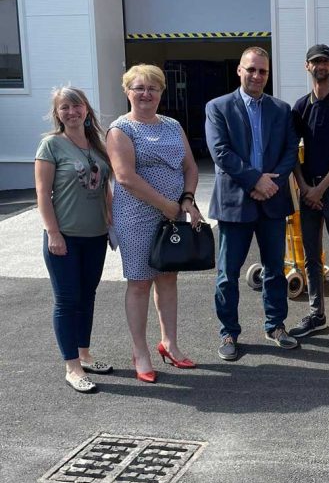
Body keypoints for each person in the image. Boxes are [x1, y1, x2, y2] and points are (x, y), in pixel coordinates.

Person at [107, 64, 203, 384]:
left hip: (173, 213)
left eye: (153, 88)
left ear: (162, 92)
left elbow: (190, 167)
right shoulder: (121, 129)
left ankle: (169, 343)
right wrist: (166, 205)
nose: (146, 94)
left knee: (168, 278)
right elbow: (125, 177)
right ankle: (140, 352)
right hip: (136, 216)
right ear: (127, 92)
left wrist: (187, 199)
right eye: (139, 88)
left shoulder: (173, 125)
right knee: (139, 283)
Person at [205, 47, 299, 360]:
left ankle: (276, 326)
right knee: (227, 274)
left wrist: (271, 184)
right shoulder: (218, 107)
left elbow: (290, 151)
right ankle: (228, 333)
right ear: (239, 70)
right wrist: (255, 180)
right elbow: (220, 151)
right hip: (235, 204)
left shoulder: (281, 109)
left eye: (263, 71)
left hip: (272, 201)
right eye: (251, 69)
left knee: (275, 270)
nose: (257, 76)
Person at [35, 86, 113, 393]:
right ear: (57, 113)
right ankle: (72, 367)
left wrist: (111, 221)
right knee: (67, 301)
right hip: (64, 237)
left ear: (86, 110)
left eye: (77, 106)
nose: (72, 112)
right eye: (65, 107)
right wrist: (53, 233)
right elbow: (43, 194)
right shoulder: (51, 145)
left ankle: (84, 354)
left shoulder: (97, 144)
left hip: (96, 236)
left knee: (87, 296)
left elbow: (105, 187)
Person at [288, 44, 329, 347]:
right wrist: (305, 188)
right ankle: (317, 314)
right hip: (308, 191)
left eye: (325, 61)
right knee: (311, 257)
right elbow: (291, 151)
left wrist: (320, 189)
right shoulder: (300, 107)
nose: (321, 66)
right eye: (315, 61)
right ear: (307, 67)